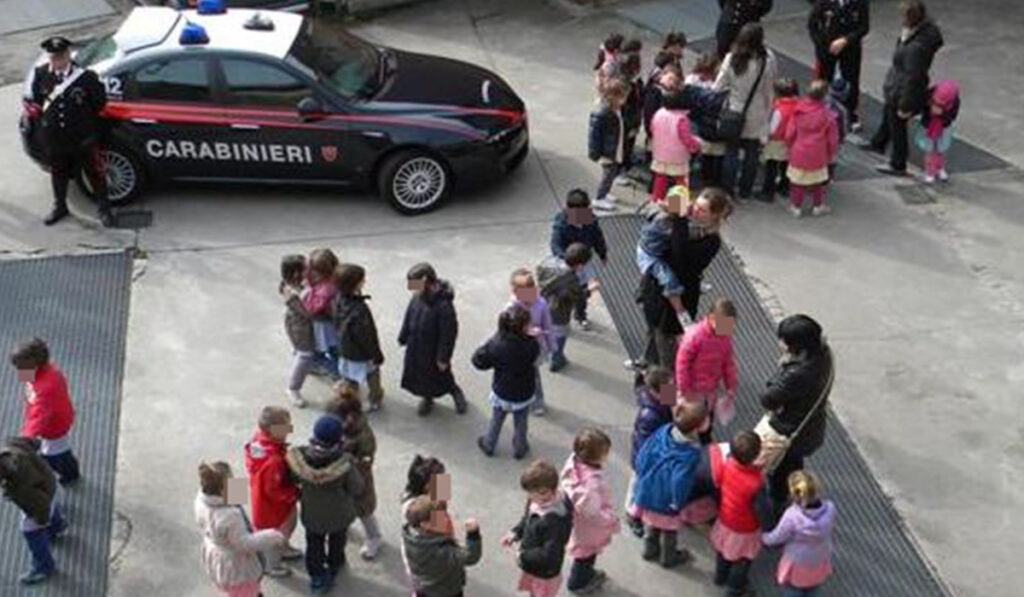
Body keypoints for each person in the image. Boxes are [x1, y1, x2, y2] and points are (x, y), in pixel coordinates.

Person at [26, 36, 113, 227]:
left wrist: (87, 127)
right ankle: (60, 206)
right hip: (55, 138)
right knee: (58, 173)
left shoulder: (86, 77)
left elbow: (99, 103)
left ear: (67, 55)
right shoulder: (41, 74)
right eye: (53, 57)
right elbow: (38, 101)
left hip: (82, 137)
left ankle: (104, 208)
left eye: (60, 56)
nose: (57, 61)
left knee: (95, 173)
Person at [756, 315, 834, 521]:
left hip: (788, 430)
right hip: (810, 427)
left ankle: (778, 512)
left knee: (779, 471)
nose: (779, 343)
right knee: (793, 463)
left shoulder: (798, 373)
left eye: (783, 340)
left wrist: (781, 371)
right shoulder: (824, 355)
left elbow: (768, 398)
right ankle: (791, 498)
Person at [286, 415, 365, 594]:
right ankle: (335, 563)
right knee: (337, 541)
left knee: (314, 544)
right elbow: (357, 488)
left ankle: (317, 577)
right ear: (339, 439)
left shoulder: (301, 460)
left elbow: (292, 479)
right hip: (339, 515)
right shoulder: (345, 464)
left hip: (312, 515)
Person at [863, 0, 943, 176]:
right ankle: (879, 142)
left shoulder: (916, 48)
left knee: (897, 124)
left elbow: (913, 78)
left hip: (902, 89)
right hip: (898, 84)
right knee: (888, 116)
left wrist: (905, 105)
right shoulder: (919, 34)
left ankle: (898, 163)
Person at [629, 403, 710, 568]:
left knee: (651, 524)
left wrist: (642, 477)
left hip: (646, 491)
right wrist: (677, 502)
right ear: (700, 426)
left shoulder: (663, 430)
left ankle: (649, 550)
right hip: (666, 501)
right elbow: (680, 481)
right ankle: (669, 557)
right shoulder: (689, 454)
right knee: (669, 531)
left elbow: (643, 454)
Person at [194, 461, 285, 597]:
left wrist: (235, 489)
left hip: (217, 556)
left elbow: (237, 504)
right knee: (243, 591)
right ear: (222, 490)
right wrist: (272, 536)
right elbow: (245, 543)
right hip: (236, 566)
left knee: (239, 590)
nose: (235, 482)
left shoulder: (202, 500)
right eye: (232, 480)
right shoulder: (230, 515)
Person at [714, 23, 777, 200]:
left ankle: (727, 190)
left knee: (731, 152)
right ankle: (745, 190)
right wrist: (768, 112)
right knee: (752, 153)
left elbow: (718, 86)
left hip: (734, 110)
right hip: (757, 111)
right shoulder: (768, 59)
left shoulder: (731, 58)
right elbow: (768, 90)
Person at [399, 263, 467, 416]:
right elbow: (409, 315)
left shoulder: (443, 306)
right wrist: (404, 335)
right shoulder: (417, 297)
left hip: (433, 350)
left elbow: (448, 334)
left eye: (414, 283)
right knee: (422, 376)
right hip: (417, 346)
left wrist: (443, 357)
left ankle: (455, 391)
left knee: (442, 374)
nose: (411, 288)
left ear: (425, 280)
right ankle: (427, 397)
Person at [9, 338, 79, 485]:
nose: (19, 371)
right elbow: (30, 388)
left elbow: (40, 414)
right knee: (61, 449)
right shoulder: (46, 370)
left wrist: (27, 436)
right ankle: (70, 470)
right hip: (55, 419)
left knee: (53, 455)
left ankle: (70, 474)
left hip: (54, 426)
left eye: (21, 367)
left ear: (34, 364)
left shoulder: (47, 387)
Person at [474, 306, 541, 459]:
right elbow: (535, 354)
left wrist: (492, 341)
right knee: (521, 423)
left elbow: (479, 361)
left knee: (496, 419)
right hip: (524, 392)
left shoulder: (497, 345)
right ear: (522, 328)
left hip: (502, 391)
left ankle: (489, 444)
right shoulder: (531, 345)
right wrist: (532, 337)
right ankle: (520, 448)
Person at [243, 406, 302, 577]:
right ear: (271, 430)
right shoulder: (274, 462)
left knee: (277, 537)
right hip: (274, 510)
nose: (289, 430)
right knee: (277, 537)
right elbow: (274, 491)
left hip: (261, 503)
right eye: (285, 427)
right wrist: (295, 493)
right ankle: (271, 566)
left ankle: (283, 549)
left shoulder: (257, 442)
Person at [0, 437, 67, 585]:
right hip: (48, 479)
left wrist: (42, 522)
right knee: (50, 503)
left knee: (30, 531)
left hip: (42, 498)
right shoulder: (10, 445)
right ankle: (58, 526)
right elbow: (33, 442)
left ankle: (44, 567)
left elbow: (41, 505)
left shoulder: (20, 489)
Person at [560, 429, 619, 594]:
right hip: (589, 529)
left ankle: (585, 575)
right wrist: (611, 519)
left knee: (585, 555)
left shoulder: (574, 463)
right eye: (605, 452)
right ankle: (579, 583)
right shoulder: (590, 485)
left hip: (578, 524)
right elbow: (593, 513)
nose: (607, 456)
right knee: (585, 556)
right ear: (596, 456)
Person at [502, 460, 573, 597]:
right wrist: (516, 532)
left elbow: (549, 556)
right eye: (529, 493)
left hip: (544, 573)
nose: (530, 497)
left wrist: (523, 556)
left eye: (536, 493)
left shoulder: (553, 522)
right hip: (534, 566)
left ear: (548, 491)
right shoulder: (536, 500)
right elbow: (528, 518)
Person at [329, 384, 382, 560]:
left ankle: (374, 537)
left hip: (358, 478)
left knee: (364, 509)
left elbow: (367, 458)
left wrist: (350, 458)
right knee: (343, 505)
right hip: (340, 476)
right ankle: (348, 523)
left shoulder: (363, 435)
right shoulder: (337, 424)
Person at [709, 431, 765, 597]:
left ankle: (720, 576)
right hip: (745, 529)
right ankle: (735, 588)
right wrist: (767, 526)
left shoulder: (727, 465)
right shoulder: (756, 483)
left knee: (723, 551)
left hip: (726, 518)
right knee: (743, 559)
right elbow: (762, 509)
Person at [763, 471, 836, 597]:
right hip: (820, 557)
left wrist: (764, 537)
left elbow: (778, 537)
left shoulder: (792, 516)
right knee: (814, 587)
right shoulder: (830, 509)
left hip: (796, 563)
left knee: (793, 590)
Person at [675, 298, 739, 443]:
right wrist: (684, 389)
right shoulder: (695, 336)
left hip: (709, 390)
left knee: (707, 421)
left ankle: (705, 442)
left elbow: (728, 363)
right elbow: (682, 364)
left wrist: (731, 386)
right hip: (692, 390)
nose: (727, 330)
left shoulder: (725, 337)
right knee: (688, 421)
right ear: (711, 318)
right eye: (725, 325)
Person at [549, 189, 608, 330]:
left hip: (584, 261)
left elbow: (597, 236)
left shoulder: (590, 219)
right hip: (568, 264)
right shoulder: (561, 224)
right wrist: (568, 259)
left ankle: (580, 314)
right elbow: (555, 245)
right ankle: (560, 318)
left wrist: (603, 253)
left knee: (581, 291)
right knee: (565, 294)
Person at [625, 366, 674, 536]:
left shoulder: (662, 394)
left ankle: (637, 511)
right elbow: (646, 444)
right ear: (655, 391)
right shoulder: (649, 416)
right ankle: (632, 514)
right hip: (644, 457)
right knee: (637, 482)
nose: (672, 389)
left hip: (652, 451)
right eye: (669, 387)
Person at [808, 0, 870, 131]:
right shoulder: (824, 3)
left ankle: (850, 113)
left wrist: (846, 40)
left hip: (850, 48)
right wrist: (820, 43)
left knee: (851, 79)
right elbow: (812, 24)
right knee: (824, 78)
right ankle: (819, 110)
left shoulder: (860, 3)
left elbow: (864, 27)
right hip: (827, 47)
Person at [402, 495, 482, 597]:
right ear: (425, 524)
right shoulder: (441, 551)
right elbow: (470, 557)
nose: (448, 519)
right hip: (446, 591)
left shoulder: (410, 535)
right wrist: (473, 535)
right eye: (440, 518)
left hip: (424, 585)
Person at [334, 263, 385, 411]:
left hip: (345, 350)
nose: (365, 281)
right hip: (362, 354)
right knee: (372, 374)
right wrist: (376, 354)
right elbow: (367, 337)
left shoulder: (338, 299)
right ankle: (375, 398)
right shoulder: (360, 310)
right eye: (362, 280)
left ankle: (349, 400)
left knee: (349, 378)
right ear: (354, 285)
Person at [784, 80, 839, 218]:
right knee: (817, 182)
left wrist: (789, 144)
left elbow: (790, 132)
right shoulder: (827, 115)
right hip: (818, 153)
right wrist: (831, 153)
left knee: (797, 182)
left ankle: (796, 206)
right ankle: (817, 206)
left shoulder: (798, 111)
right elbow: (833, 138)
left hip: (799, 151)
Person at [537, 242, 592, 372]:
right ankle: (556, 360)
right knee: (560, 335)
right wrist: (590, 290)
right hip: (559, 311)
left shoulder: (547, 262)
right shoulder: (570, 278)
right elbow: (579, 296)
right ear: (579, 265)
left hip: (543, 303)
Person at [509, 268, 556, 415]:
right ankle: (514, 399)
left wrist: (551, 346)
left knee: (533, 376)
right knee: (515, 375)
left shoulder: (541, 304)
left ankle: (537, 401)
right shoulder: (512, 306)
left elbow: (547, 325)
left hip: (533, 348)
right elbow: (506, 327)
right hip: (515, 347)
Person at [649, 90, 703, 203]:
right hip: (678, 156)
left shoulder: (658, 113)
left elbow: (652, 129)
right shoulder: (681, 119)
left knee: (660, 178)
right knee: (680, 180)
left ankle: (656, 202)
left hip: (660, 153)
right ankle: (677, 206)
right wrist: (697, 144)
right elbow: (687, 140)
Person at [588, 79, 631, 212]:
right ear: (613, 97)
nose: (624, 100)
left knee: (612, 174)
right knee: (608, 175)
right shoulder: (603, 113)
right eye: (622, 97)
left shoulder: (616, 110)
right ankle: (599, 198)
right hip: (607, 152)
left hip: (614, 149)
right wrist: (595, 153)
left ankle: (605, 194)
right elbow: (594, 136)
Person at [685, 53, 727, 187]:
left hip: (702, 120)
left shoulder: (709, 83)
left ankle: (701, 177)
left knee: (705, 151)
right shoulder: (692, 80)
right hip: (696, 119)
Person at [280, 254, 314, 407]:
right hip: (299, 328)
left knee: (301, 351)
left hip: (298, 326)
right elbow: (307, 312)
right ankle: (293, 388)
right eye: (306, 269)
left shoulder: (294, 285)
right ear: (296, 273)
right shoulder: (292, 294)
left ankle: (311, 366)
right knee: (305, 354)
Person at [760, 78, 800, 203]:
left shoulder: (778, 108)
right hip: (792, 141)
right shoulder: (798, 106)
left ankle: (768, 192)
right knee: (786, 166)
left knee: (771, 166)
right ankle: (784, 187)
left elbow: (772, 128)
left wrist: (764, 137)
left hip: (776, 142)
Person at [913, 79, 959, 184]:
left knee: (940, 150)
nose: (938, 103)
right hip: (928, 126)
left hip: (943, 128)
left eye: (942, 103)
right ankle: (929, 171)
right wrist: (929, 110)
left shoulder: (954, 102)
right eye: (936, 101)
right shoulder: (929, 95)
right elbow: (921, 106)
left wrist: (942, 114)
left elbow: (952, 116)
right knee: (929, 151)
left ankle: (939, 168)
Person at [304, 247, 340, 380]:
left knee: (323, 351)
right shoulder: (334, 280)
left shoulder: (326, 289)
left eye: (312, 270)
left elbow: (312, 308)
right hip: (330, 325)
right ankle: (338, 372)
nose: (310, 273)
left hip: (324, 326)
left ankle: (337, 372)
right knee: (334, 351)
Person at [642, 63, 683, 143]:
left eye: (675, 81)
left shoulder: (672, 93)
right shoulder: (655, 92)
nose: (672, 83)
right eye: (670, 79)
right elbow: (648, 114)